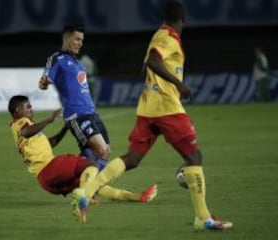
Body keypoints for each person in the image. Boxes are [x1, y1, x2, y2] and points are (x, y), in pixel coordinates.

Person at [70, 0, 233, 231]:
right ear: (182, 19)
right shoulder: (168, 38)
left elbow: (149, 62)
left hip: (148, 108)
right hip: (166, 107)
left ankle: (85, 192)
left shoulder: (158, 35)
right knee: (194, 157)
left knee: (132, 159)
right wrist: (180, 84)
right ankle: (203, 217)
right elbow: (153, 61)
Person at [8, 95, 157, 222]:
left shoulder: (28, 131)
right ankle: (83, 198)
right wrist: (49, 120)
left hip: (46, 181)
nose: (31, 109)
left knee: (95, 184)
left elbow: (50, 142)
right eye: (28, 107)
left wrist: (65, 128)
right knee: (91, 165)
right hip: (50, 168)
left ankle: (138, 197)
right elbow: (26, 132)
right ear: (18, 110)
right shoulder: (21, 123)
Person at [39, 24, 109, 171]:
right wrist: (44, 83)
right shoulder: (56, 58)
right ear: (66, 37)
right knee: (101, 150)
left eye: (82, 40)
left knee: (104, 152)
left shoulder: (78, 63)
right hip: (77, 115)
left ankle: (84, 186)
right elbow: (46, 80)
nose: (80, 44)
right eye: (77, 39)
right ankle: (71, 174)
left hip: (92, 113)